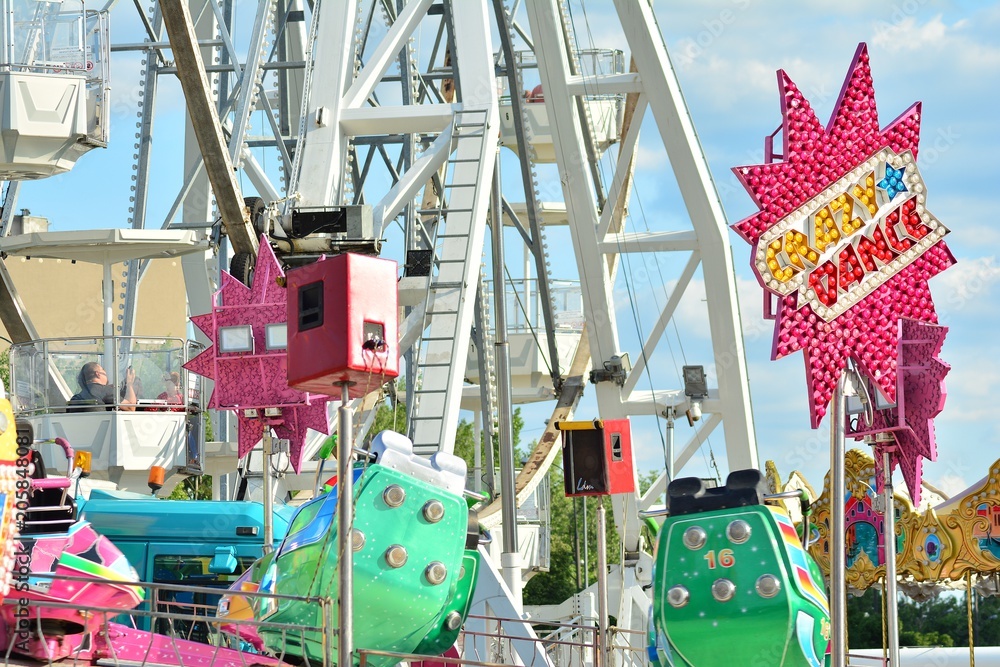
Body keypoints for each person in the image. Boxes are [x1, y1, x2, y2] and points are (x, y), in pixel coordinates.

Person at [68, 362, 137, 412]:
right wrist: (129, 384)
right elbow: (130, 408)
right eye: (103, 370)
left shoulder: (75, 398)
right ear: (98, 374)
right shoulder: (106, 391)